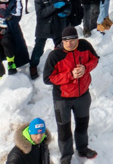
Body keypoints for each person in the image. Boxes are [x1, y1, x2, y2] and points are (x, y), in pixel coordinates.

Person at [42, 26, 99, 162]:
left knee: (82, 123)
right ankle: (66, 156)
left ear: (77, 39)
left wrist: (85, 68)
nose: (69, 43)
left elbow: (95, 59)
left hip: (83, 95)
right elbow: (47, 78)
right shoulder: (55, 55)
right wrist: (70, 75)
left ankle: (82, 148)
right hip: (62, 99)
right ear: (62, 41)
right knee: (64, 129)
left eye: (72, 40)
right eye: (66, 41)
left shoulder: (85, 46)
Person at [30, 0, 74, 80]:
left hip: (59, 25)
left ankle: (61, 65)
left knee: (60, 48)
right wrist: (54, 7)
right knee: (38, 48)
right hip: (44, 27)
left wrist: (66, 12)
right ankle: (33, 65)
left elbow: (68, 5)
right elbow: (41, 14)